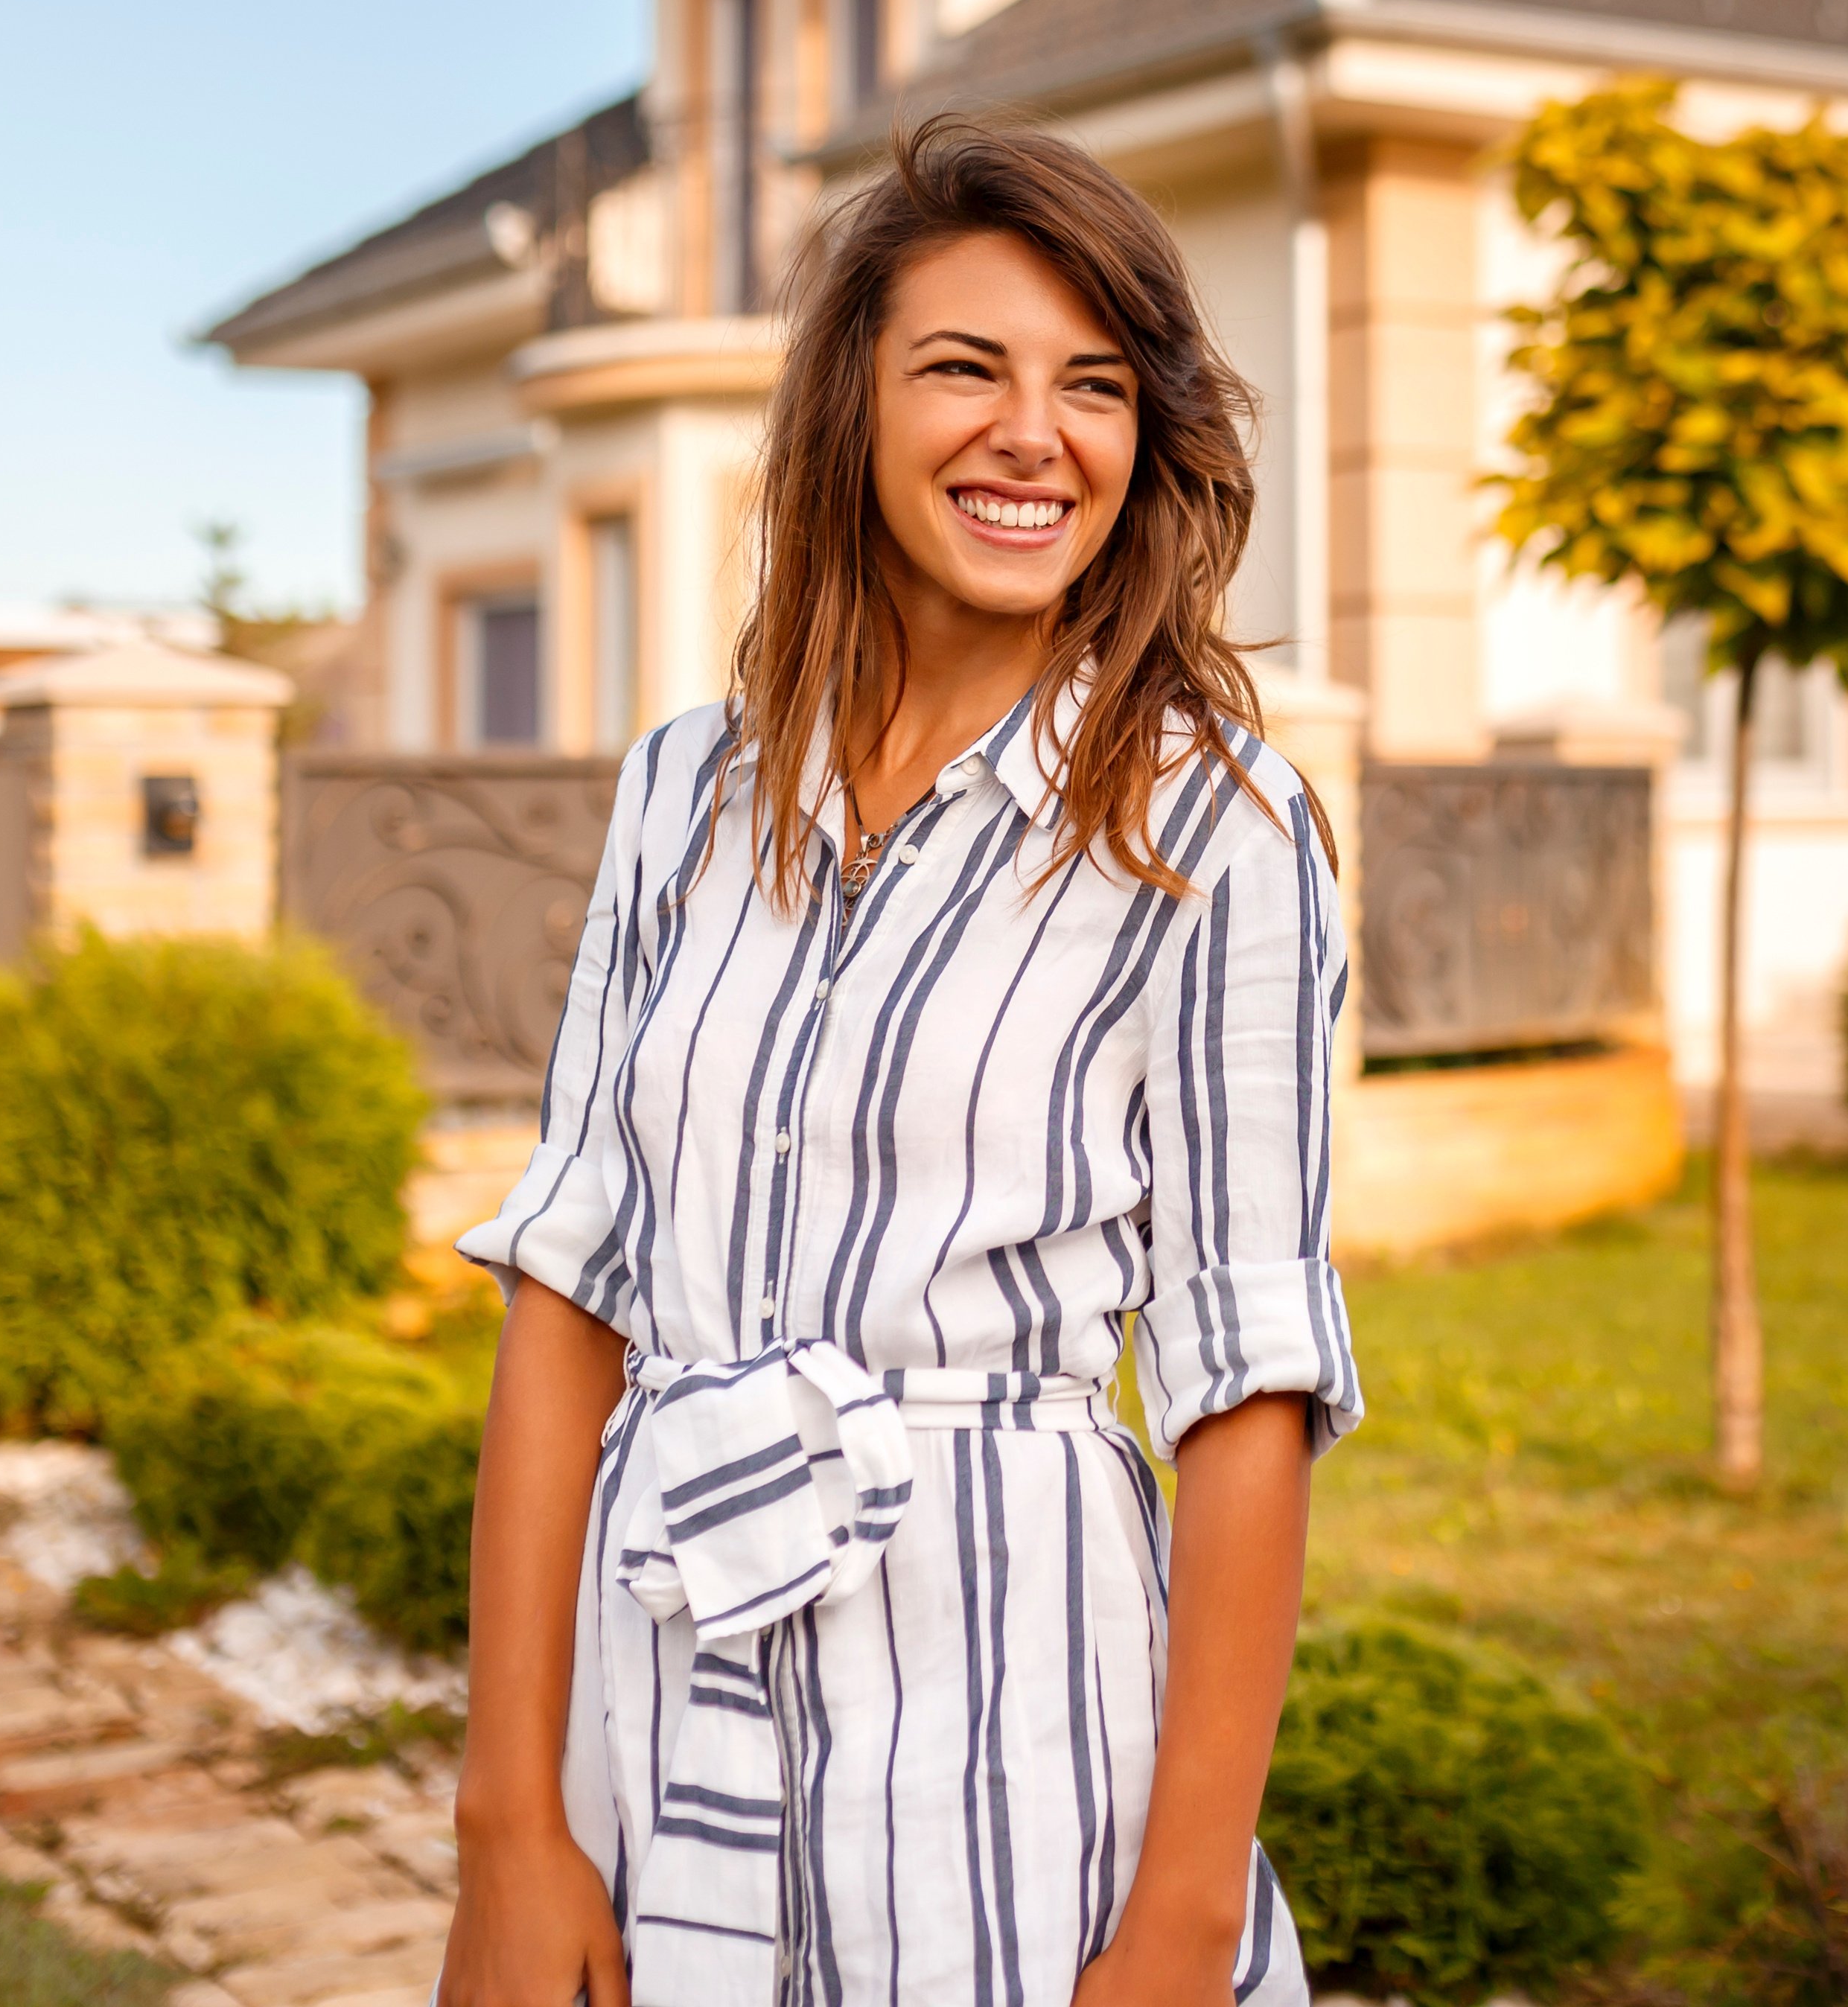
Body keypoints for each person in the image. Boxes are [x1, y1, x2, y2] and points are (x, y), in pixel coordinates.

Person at [433, 116, 1362, 2007]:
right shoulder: (684, 794)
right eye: (967, 366)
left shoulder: (1213, 828)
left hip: (1007, 1748)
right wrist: (510, 1828)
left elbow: (1246, 1389)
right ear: (849, 404)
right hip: (661, 1692)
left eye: (1095, 386)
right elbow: (570, 1291)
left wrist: (1179, 1929)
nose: (1037, 433)